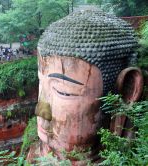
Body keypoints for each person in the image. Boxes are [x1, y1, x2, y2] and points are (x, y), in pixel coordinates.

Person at [27, 11, 143, 165]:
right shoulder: (36, 154)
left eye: (63, 92)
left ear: (127, 92)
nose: (41, 112)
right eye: (40, 84)